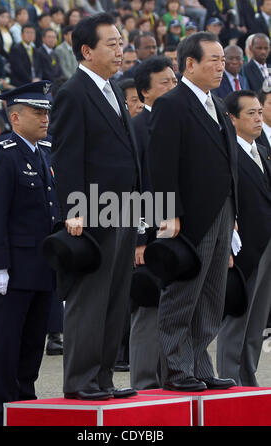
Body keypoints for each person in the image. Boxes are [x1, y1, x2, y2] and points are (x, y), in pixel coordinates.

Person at [50, 12, 141, 401]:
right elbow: (68, 156)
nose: (120, 50)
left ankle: (103, 378)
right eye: (111, 44)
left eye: (121, 43)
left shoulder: (114, 88)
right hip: (93, 211)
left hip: (123, 208)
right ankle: (80, 381)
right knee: (91, 299)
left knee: (117, 298)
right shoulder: (74, 92)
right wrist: (74, 211)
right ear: (86, 51)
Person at [147, 31, 238, 392]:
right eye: (213, 60)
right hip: (188, 219)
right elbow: (162, 165)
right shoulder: (172, 104)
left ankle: (200, 365)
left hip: (223, 213)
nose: (222, 65)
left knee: (211, 298)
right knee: (183, 295)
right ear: (189, 63)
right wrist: (168, 215)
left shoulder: (216, 103)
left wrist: (236, 216)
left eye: (223, 59)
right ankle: (174, 370)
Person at [0, 80, 58, 426]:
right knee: (5, 350)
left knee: (31, 350)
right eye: (37, 113)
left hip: (41, 268)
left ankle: (25, 408)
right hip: (10, 272)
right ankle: (0, 416)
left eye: (46, 113)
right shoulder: (4, 153)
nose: (44, 119)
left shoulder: (45, 152)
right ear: (15, 117)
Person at [217, 90, 271, 387]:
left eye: (260, 112)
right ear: (232, 118)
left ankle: (247, 380)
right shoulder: (228, 154)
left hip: (266, 245)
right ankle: (229, 380)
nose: (258, 119)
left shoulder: (262, 151)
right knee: (236, 319)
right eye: (250, 113)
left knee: (256, 324)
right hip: (241, 248)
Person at [130, 55, 177, 390]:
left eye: (175, 81)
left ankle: (171, 381)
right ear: (144, 91)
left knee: (175, 310)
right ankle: (146, 385)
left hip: (180, 233)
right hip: (150, 234)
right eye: (165, 82)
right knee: (148, 309)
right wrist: (140, 238)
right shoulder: (135, 128)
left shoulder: (178, 123)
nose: (173, 88)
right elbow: (132, 186)